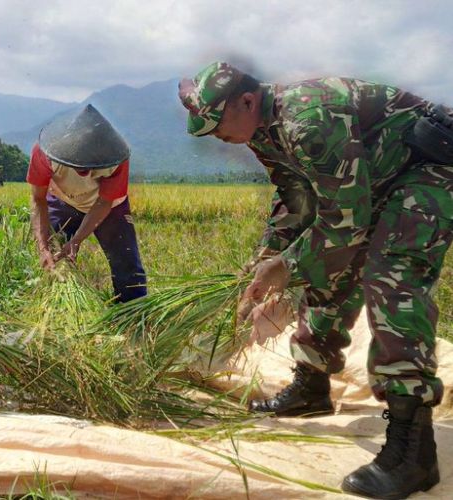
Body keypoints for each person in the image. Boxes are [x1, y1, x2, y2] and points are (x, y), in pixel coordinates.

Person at [179, 61, 453, 498]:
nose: (216, 137)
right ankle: (311, 386)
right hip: (372, 184)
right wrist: (266, 261)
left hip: (429, 171)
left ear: (247, 100)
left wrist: (285, 268)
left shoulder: (308, 117)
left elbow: (345, 221)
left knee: (391, 276)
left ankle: (412, 450)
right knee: (324, 267)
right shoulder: (262, 131)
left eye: (217, 125)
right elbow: (295, 199)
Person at [27, 104, 147, 303]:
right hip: (62, 200)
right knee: (54, 258)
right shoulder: (44, 153)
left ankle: (132, 314)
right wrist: (42, 248)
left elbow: (105, 201)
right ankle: (58, 307)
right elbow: (38, 199)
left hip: (110, 208)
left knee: (127, 266)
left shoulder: (118, 159)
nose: (88, 174)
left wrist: (76, 241)